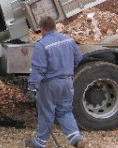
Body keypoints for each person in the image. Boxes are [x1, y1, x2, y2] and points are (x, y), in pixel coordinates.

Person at [25, 16, 86, 148]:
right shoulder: (69, 40)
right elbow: (78, 58)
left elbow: (39, 68)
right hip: (67, 82)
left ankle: (39, 143)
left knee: (46, 113)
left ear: (41, 29)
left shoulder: (42, 45)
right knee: (65, 111)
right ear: (54, 26)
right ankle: (76, 137)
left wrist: (32, 87)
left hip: (50, 84)